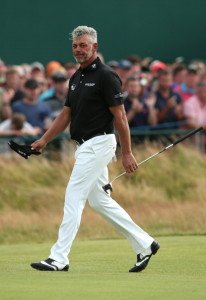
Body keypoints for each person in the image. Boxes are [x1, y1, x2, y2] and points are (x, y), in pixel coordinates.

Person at [30, 25, 160, 273]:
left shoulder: (106, 76)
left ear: (95, 47)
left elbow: (120, 117)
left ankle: (59, 258)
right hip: (84, 146)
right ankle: (145, 244)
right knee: (100, 201)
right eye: (75, 46)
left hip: (99, 143)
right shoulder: (76, 77)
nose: (78, 50)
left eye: (83, 45)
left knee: (74, 196)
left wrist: (127, 152)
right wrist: (44, 140)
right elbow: (66, 113)